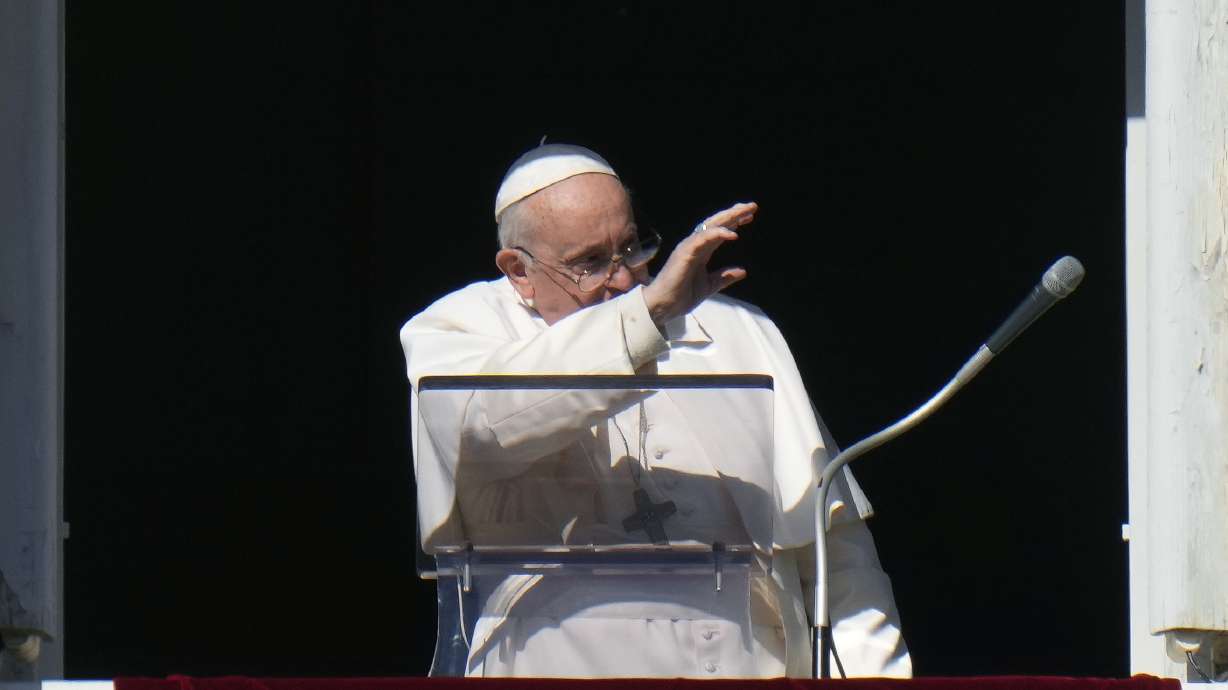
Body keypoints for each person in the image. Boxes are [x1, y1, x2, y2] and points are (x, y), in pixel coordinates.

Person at [399, 143, 911, 678]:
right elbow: (480, 427)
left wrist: (874, 678)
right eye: (590, 262)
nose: (623, 279)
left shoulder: (739, 329)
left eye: (630, 248)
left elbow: (837, 549)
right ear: (518, 270)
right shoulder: (458, 329)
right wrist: (647, 318)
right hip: (553, 667)